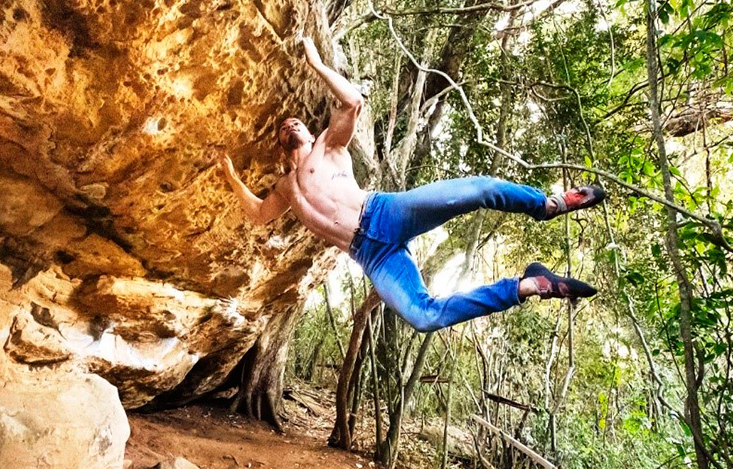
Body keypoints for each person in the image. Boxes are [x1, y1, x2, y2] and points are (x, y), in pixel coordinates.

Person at [217, 38, 605, 332]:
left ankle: (546, 205)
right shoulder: (285, 187)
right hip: (370, 255)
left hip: (384, 213)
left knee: (476, 191)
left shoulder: (329, 145)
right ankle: (529, 286)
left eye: (296, 121)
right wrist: (233, 178)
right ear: (280, 146)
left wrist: (316, 63)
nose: (291, 125)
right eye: (284, 128)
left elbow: (353, 103)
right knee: (423, 317)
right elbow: (258, 214)